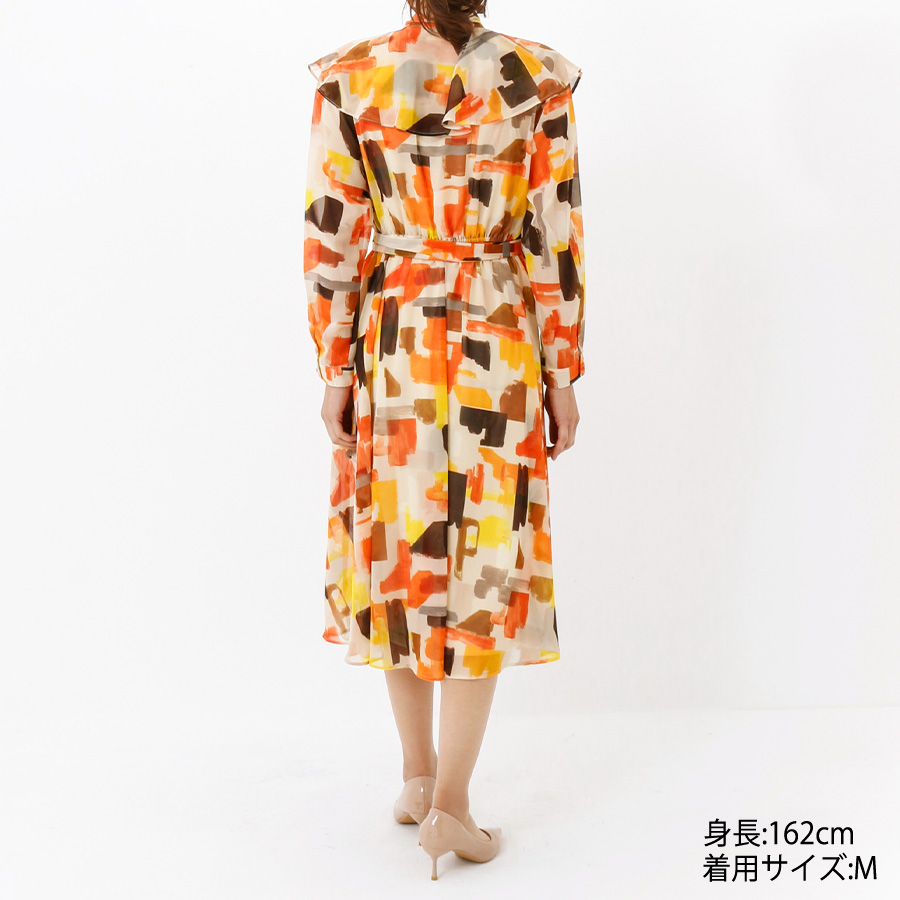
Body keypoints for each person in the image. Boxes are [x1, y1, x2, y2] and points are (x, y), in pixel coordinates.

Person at [303, 0, 585, 880]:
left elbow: (331, 234)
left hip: (394, 338)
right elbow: (554, 232)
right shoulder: (535, 77)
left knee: (402, 554)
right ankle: (452, 804)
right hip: (495, 335)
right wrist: (561, 371)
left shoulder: (352, 75)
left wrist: (336, 368)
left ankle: (418, 778)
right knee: (483, 560)